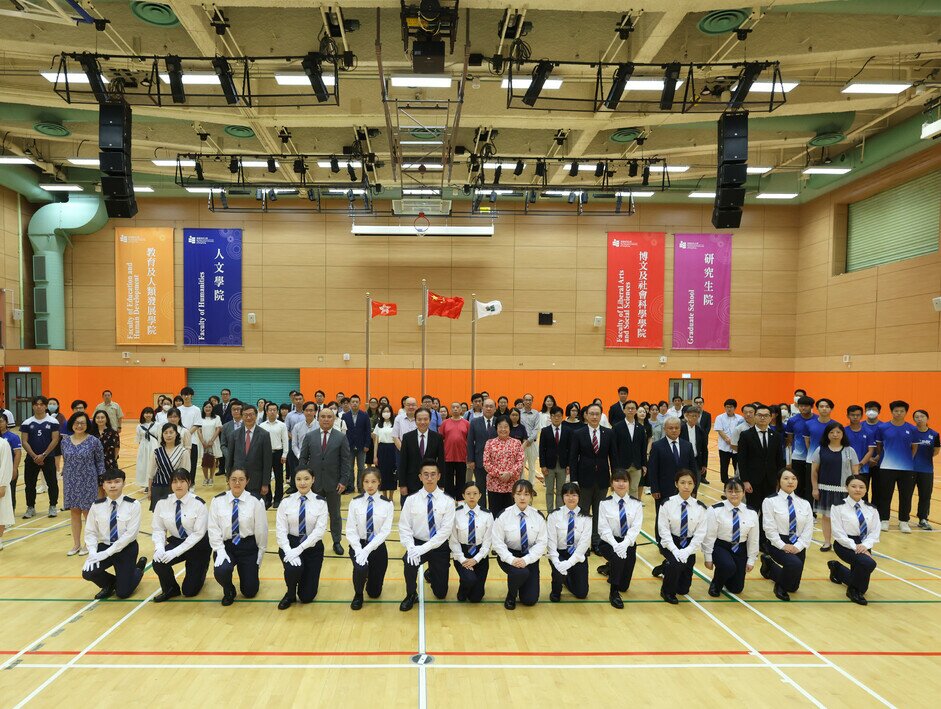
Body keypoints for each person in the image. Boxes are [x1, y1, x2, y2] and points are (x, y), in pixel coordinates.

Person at [81, 468, 147, 599]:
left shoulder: (133, 505)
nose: (112, 485)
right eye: (109, 482)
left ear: (123, 483)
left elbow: (130, 535)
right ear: (103, 485)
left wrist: (107, 553)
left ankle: (137, 570)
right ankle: (110, 584)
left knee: (123, 593)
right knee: (88, 572)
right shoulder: (96, 506)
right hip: (105, 546)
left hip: (126, 548)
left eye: (117, 482)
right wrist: (93, 553)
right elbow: (90, 532)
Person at [398, 462, 455, 611]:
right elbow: (404, 527)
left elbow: (445, 531)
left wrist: (424, 549)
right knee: (409, 562)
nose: (429, 478)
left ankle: (431, 572)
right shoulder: (411, 500)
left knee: (441, 593)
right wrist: (411, 548)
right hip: (417, 542)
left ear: (439, 476)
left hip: (439, 545)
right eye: (426, 474)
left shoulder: (448, 501)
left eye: (433, 474)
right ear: (420, 477)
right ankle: (411, 594)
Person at [297, 408, 354, 555]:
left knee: (334, 514)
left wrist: (343, 481)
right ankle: (311, 541)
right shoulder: (310, 437)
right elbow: (303, 458)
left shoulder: (341, 437)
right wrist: (304, 479)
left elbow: (346, 462)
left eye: (329, 417)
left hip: (334, 484)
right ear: (318, 418)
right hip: (314, 484)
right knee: (312, 514)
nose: (326, 419)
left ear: (334, 419)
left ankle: (336, 541)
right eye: (323, 417)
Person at [208, 468, 268, 606]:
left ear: (247, 481)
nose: (237, 483)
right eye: (233, 479)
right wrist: (220, 550)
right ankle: (229, 590)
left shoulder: (256, 501)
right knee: (221, 570)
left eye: (241, 479)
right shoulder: (217, 501)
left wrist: (260, 553)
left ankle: (250, 574)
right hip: (226, 546)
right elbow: (213, 528)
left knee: (249, 592)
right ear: (228, 480)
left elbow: (261, 529)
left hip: (248, 547)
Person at [151, 468, 211, 602]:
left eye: (182, 481)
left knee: (189, 591)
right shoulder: (162, 503)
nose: (178, 485)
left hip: (198, 546)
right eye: (175, 481)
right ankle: (170, 589)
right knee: (158, 562)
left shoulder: (199, 504)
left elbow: (198, 534)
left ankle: (202, 567)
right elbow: (158, 529)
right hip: (178, 541)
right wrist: (159, 548)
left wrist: (175, 552)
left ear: (189, 483)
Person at [275, 468, 329, 610]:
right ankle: (290, 593)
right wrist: (288, 550)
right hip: (290, 544)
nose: (302, 482)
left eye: (306, 478)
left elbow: (319, 532)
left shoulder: (321, 503)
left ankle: (303, 586)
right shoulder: (286, 502)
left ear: (313, 479)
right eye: (298, 479)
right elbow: (281, 530)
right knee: (293, 569)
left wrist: (300, 549)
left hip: (312, 548)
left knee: (306, 597)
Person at [567, 403, 618, 549]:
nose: (594, 417)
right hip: (583, 480)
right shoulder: (578, 433)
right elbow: (573, 458)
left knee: (599, 513)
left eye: (597, 414)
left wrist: (615, 478)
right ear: (586, 416)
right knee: (583, 512)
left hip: (602, 479)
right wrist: (574, 480)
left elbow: (613, 457)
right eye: (592, 414)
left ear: (601, 415)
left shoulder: (609, 433)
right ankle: (583, 544)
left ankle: (596, 542)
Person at [491, 479, 547, 610]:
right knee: (519, 573)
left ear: (531, 496)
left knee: (530, 600)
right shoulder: (503, 515)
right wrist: (512, 559)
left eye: (527, 494)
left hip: (530, 556)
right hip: (509, 556)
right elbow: (498, 543)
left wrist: (526, 560)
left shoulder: (538, 516)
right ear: (513, 495)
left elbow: (541, 543)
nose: (522, 497)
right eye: (519, 493)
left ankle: (521, 583)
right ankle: (511, 595)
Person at [655, 470, 708, 604]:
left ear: (694, 485)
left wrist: (688, 551)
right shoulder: (667, 504)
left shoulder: (700, 508)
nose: (686, 486)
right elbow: (663, 531)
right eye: (682, 482)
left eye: (690, 483)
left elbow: (700, 534)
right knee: (676, 563)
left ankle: (665, 568)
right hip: (671, 542)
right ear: (676, 484)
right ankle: (666, 591)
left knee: (683, 589)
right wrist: (674, 550)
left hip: (688, 544)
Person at [760, 469, 813, 602]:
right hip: (778, 543)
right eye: (786, 478)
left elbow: (808, 529)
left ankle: (770, 566)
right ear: (779, 481)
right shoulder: (770, 501)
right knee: (794, 564)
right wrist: (783, 545)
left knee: (793, 587)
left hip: (798, 544)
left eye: (794, 478)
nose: (790, 481)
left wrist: (799, 546)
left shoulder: (804, 503)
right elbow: (769, 528)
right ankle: (779, 586)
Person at [346, 468, 395, 610]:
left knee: (374, 593)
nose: (370, 485)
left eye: (373, 481)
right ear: (362, 483)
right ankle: (358, 594)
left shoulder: (387, 504)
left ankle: (370, 579)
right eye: (366, 482)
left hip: (377, 546)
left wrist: (367, 550)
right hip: (359, 544)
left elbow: (385, 532)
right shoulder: (355, 502)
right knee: (360, 568)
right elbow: (350, 530)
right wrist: (358, 550)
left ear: (379, 482)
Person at [829, 474, 880, 605]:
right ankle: (852, 591)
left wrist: (865, 545)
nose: (857, 489)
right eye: (853, 486)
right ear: (846, 488)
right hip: (845, 544)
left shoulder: (872, 509)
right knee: (868, 564)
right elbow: (838, 533)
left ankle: (837, 569)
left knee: (863, 588)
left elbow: (875, 532)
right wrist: (855, 546)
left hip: (864, 544)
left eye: (861, 487)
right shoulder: (838, 506)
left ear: (866, 490)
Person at [703, 479, 759, 597]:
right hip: (720, 546)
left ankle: (726, 574)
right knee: (728, 566)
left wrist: (751, 560)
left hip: (740, 548)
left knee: (736, 588)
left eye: (737, 491)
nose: (734, 494)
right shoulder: (715, 510)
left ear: (744, 492)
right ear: (725, 492)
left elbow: (753, 539)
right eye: (730, 491)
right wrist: (708, 557)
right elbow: (709, 536)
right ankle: (716, 584)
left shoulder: (751, 512)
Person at [810, 421, 859, 550]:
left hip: (844, 490)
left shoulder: (850, 451)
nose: (835, 435)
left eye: (838, 432)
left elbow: (855, 472)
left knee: (844, 518)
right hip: (825, 489)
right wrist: (815, 488)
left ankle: (844, 543)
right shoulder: (820, 449)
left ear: (843, 434)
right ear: (827, 434)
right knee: (826, 517)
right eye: (831, 432)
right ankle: (827, 542)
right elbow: (814, 471)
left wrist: (854, 490)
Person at [596, 470, 642, 608]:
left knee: (624, 586)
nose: (621, 484)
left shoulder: (636, 504)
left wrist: (625, 544)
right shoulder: (605, 503)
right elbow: (603, 529)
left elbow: (635, 528)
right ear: (612, 483)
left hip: (628, 543)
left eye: (624, 481)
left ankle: (611, 569)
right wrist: (616, 545)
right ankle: (613, 592)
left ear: (629, 483)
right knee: (618, 557)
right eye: (617, 480)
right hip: (608, 543)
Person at [647, 417, 697, 542]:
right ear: (665, 429)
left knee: (682, 515)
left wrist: (694, 488)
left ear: (680, 429)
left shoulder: (687, 446)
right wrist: (654, 488)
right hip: (663, 489)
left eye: (676, 428)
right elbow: (653, 469)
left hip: (684, 490)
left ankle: (679, 539)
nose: (674, 430)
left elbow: (692, 469)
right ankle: (661, 541)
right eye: (670, 428)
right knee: (662, 516)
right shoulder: (657, 446)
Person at [61, 411, 105, 555]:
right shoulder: (65, 441)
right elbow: (65, 460)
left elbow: (99, 462)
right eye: (76, 423)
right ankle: (76, 544)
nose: (79, 425)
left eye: (83, 423)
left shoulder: (93, 441)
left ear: (87, 425)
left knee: (88, 513)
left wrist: (101, 481)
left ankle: (89, 544)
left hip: (88, 480)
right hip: (70, 481)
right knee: (74, 512)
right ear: (71, 424)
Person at [875, 400, 917, 532]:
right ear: (891, 411)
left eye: (902, 411)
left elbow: (914, 448)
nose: (899, 413)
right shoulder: (883, 428)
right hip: (887, 467)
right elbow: (879, 446)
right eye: (896, 411)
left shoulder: (912, 429)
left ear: (906, 412)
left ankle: (904, 521)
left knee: (906, 495)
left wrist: (907, 460)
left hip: (906, 468)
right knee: (885, 495)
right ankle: (884, 520)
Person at [449, 481, 493, 603]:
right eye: (468, 493)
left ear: (480, 495)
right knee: (469, 579)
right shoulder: (456, 514)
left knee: (476, 598)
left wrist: (476, 559)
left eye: (475, 493)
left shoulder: (487, 515)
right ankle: (463, 588)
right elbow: (453, 541)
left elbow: (487, 542)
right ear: (463, 496)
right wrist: (463, 560)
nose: (472, 497)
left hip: (480, 556)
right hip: (462, 554)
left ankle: (471, 587)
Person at [547, 482, 591, 603]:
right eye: (567, 495)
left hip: (577, 555)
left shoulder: (586, 517)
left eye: (574, 495)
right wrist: (557, 561)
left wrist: (570, 563)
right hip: (560, 553)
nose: (571, 498)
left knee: (582, 593)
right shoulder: (554, 515)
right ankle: (556, 587)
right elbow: (551, 542)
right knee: (558, 568)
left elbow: (584, 544)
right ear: (562, 497)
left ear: (579, 497)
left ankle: (566, 577)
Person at [736, 405, 786, 511]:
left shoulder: (776, 436)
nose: (762, 418)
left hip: (771, 480)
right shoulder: (746, 435)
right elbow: (741, 460)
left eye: (766, 415)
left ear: (770, 417)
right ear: (755, 416)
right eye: (759, 415)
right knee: (753, 509)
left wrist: (780, 479)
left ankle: (764, 529)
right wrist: (745, 481)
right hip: (753, 480)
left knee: (769, 510)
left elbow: (779, 459)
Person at [20, 395, 61, 519]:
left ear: (45, 406)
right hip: (31, 459)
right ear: (33, 406)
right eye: (36, 404)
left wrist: (43, 455)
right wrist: (34, 456)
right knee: (30, 484)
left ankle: (53, 506)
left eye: (41, 404)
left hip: (48, 457)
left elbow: (55, 439)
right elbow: (24, 441)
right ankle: (30, 507)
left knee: (52, 482)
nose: (39, 406)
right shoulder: (27, 422)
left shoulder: (53, 422)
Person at [224, 405, 273, 503]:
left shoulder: (264, 435)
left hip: (257, 481)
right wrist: (229, 478)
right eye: (245, 415)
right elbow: (230, 459)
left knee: (256, 509)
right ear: (242, 416)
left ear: (256, 415)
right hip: (238, 480)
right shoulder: (234, 434)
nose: (248, 417)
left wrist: (265, 483)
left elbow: (267, 461)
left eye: (251, 415)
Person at [483, 418, 526, 520]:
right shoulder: (490, 443)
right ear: (496, 428)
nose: (503, 429)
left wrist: (510, 473)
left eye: (506, 426)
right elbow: (486, 463)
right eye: (500, 427)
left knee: (511, 515)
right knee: (495, 515)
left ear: (510, 428)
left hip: (511, 486)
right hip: (494, 485)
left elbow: (520, 462)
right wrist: (500, 474)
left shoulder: (517, 443)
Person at [398, 408, 446, 499]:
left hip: (431, 482)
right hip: (411, 482)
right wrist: (402, 484)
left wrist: (441, 484)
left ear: (430, 420)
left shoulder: (438, 438)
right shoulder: (407, 437)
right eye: (419, 419)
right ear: (415, 420)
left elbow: (441, 462)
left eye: (425, 419)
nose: (422, 422)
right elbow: (403, 462)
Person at [148, 423, 191, 511]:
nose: (168, 435)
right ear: (162, 435)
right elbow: (150, 473)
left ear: (176, 434)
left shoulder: (183, 452)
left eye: (171, 432)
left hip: (176, 488)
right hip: (158, 488)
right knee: (159, 516)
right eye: (165, 432)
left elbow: (186, 474)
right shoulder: (156, 452)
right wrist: (149, 490)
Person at [466, 398, 498, 508]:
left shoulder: (499, 422)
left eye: (491, 406)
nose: (488, 408)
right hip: (479, 461)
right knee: (480, 488)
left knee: (494, 489)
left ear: (495, 408)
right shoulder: (475, 422)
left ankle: (494, 511)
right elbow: (470, 442)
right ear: (482, 407)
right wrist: (470, 460)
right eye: (486, 406)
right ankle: (482, 510)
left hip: (496, 463)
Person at [538, 406, 571, 512]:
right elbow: (541, 449)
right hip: (548, 465)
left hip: (562, 465)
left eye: (559, 416)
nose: (556, 418)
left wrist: (569, 465)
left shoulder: (567, 430)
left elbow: (570, 450)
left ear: (562, 417)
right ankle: (550, 512)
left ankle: (559, 512)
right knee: (549, 490)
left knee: (561, 490)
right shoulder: (545, 431)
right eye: (554, 416)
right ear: (550, 417)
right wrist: (542, 465)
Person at [785, 395, 818, 501]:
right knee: (797, 484)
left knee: (811, 485)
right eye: (801, 406)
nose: (803, 408)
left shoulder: (817, 419)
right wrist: (788, 460)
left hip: (813, 458)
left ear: (812, 407)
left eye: (806, 406)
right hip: (797, 457)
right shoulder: (792, 420)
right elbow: (789, 441)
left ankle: (811, 510)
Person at [911, 409, 939, 530]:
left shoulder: (934, 434)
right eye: (916, 417)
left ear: (927, 418)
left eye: (922, 416)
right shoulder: (910, 432)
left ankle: (923, 519)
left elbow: (936, 451)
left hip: (926, 470)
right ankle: (904, 519)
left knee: (925, 495)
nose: (919, 419)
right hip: (910, 469)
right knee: (906, 495)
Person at [844, 405, 877, 502]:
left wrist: (860, 464)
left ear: (862, 416)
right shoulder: (843, 431)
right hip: (846, 468)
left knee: (862, 494)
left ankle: (862, 514)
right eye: (852, 415)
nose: (855, 417)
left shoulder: (869, 432)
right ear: (847, 416)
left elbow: (870, 451)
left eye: (858, 415)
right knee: (845, 492)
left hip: (863, 469)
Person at [258, 402, 288, 507]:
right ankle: (268, 498)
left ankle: (278, 499)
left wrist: (284, 454)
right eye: (270, 410)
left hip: (278, 453)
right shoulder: (261, 426)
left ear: (277, 412)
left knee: (279, 477)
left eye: (274, 410)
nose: (272, 412)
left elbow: (285, 441)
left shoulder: (282, 425)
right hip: (265, 453)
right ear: (266, 412)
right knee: (266, 477)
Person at [439, 402, 470, 499]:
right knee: (448, 481)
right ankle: (449, 501)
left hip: (462, 457)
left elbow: (469, 440)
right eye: (453, 407)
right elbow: (440, 439)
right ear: (451, 410)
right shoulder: (445, 423)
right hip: (448, 457)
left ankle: (460, 501)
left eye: (457, 407)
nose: (455, 409)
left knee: (461, 481)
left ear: (461, 410)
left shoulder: (466, 423)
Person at [342, 395, 372, 494]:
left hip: (362, 446)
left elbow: (368, 431)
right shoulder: (345, 416)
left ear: (359, 403)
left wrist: (367, 445)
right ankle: (350, 487)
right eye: (353, 402)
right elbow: (343, 432)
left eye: (356, 402)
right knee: (349, 468)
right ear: (350, 403)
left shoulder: (365, 415)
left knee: (361, 468)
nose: (354, 403)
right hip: (348, 446)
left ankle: (361, 487)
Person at [714, 399, 744, 484]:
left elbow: (741, 431)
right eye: (727, 407)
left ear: (735, 408)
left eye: (731, 407)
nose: (729, 409)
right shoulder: (720, 417)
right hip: (724, 447)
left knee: (737, 467)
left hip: (736, 448)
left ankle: (737, 484)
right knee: (724, 467)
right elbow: (720, 430)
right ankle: (725, 486)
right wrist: (728, 440)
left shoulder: (740, 418)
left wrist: (734, 443)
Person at [679, 406, 708, 489]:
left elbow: (704, 449)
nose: (694, 418)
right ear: (687, 416)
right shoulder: (681, 429)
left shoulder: (700, 431)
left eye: (696, 416)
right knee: (683, 482)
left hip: (696, 461)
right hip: (683, 460)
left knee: (696, 483)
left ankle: (693, 500)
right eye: (692, 415)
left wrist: (704, 464)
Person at [371, 403, 398, 494]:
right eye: (384, 411)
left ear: (391, 413)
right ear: (381, 413)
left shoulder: (395, 424)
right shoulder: (379, 425)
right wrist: (375, 456)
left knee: (392, 473)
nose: (386, 413)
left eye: (388, 411)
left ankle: (391, 496)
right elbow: (376, 442)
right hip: (381, 449)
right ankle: (384, 495)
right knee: (382, 473)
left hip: (392, 449)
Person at [196, 401, 223, 487]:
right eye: (206, 407)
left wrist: (212, 440)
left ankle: (211, 478)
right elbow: (198, 430)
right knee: (204, 460)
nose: (208, 409)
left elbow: (218, 429)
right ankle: (205, 478)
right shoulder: (199, 418)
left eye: (209, 407)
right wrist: (203, 441)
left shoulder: (216, 417)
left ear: (212, 408)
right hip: (202, 442)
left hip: (213, 441)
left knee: (212, 459)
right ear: (203, 408)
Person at [178, 387, 202, 482]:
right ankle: (180, 481)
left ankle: (191, 483)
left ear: (192, 396)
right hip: (179, 441)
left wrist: (186, 434)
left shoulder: (196, 409)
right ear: (181, 396)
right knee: (180, 463)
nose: (186, 396)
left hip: (193, 441)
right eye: (184, 395)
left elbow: (197, 424)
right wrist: (181, 435)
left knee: (192, 463)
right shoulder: (178, 409)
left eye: (188, 394)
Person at [0, 418, 22, 517]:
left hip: (7, 470)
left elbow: (17, 453)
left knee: (10, 493)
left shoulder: (12, 437)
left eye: (1, 421)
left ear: (6, 423)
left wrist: (14, 469)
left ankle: (10, 515)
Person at [90, 410, 121, 482]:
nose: (100, 419)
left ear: (106, 419)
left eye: (102, 417)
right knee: (97, 486)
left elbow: (117, 448)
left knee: (109, 485)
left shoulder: (113, 432)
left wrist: (113, 460)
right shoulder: (90, 433)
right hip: (94, 463)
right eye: (98, 418)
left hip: (109, 462)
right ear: (94, 419)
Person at [518, 394, 542, 483]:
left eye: (530, 400)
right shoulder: (519, 412)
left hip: (532, 443)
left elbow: (536, 428)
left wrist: (529, 440)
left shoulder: (536, 413)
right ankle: (522, 485)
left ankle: (531, 487)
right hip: (521, 444)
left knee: (532, 467)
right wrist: (524, 440)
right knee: (521, 466)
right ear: (523, 401)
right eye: (526, 400)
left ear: (532, 401)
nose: (528, 401)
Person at [135, 407, 160, 490]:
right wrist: (143, 448)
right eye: (146, 413)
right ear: (143, 414)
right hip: (143, 448)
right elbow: (138, 439)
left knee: (154, 464)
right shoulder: (139, 426)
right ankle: (146, 484)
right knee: (144, 465)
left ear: (153, 414)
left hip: (154, 446)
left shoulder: (157, 425)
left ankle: (155, 482)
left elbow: (159, 437)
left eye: (150, 413)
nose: (148, 415)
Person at [218, 400, 243, 477]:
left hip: (246, 459)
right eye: (233, 409)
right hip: (230, 460)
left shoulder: (248, 425)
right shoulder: (225, 426)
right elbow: (223, 445)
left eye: (238, 409)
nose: (236, 411)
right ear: (231, 411)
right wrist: (229, 455)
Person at [0, 435, 13, 551]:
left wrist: (3, 484)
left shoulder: (3, 444)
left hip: (0, 483)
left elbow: (6, 464)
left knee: (1, 513)